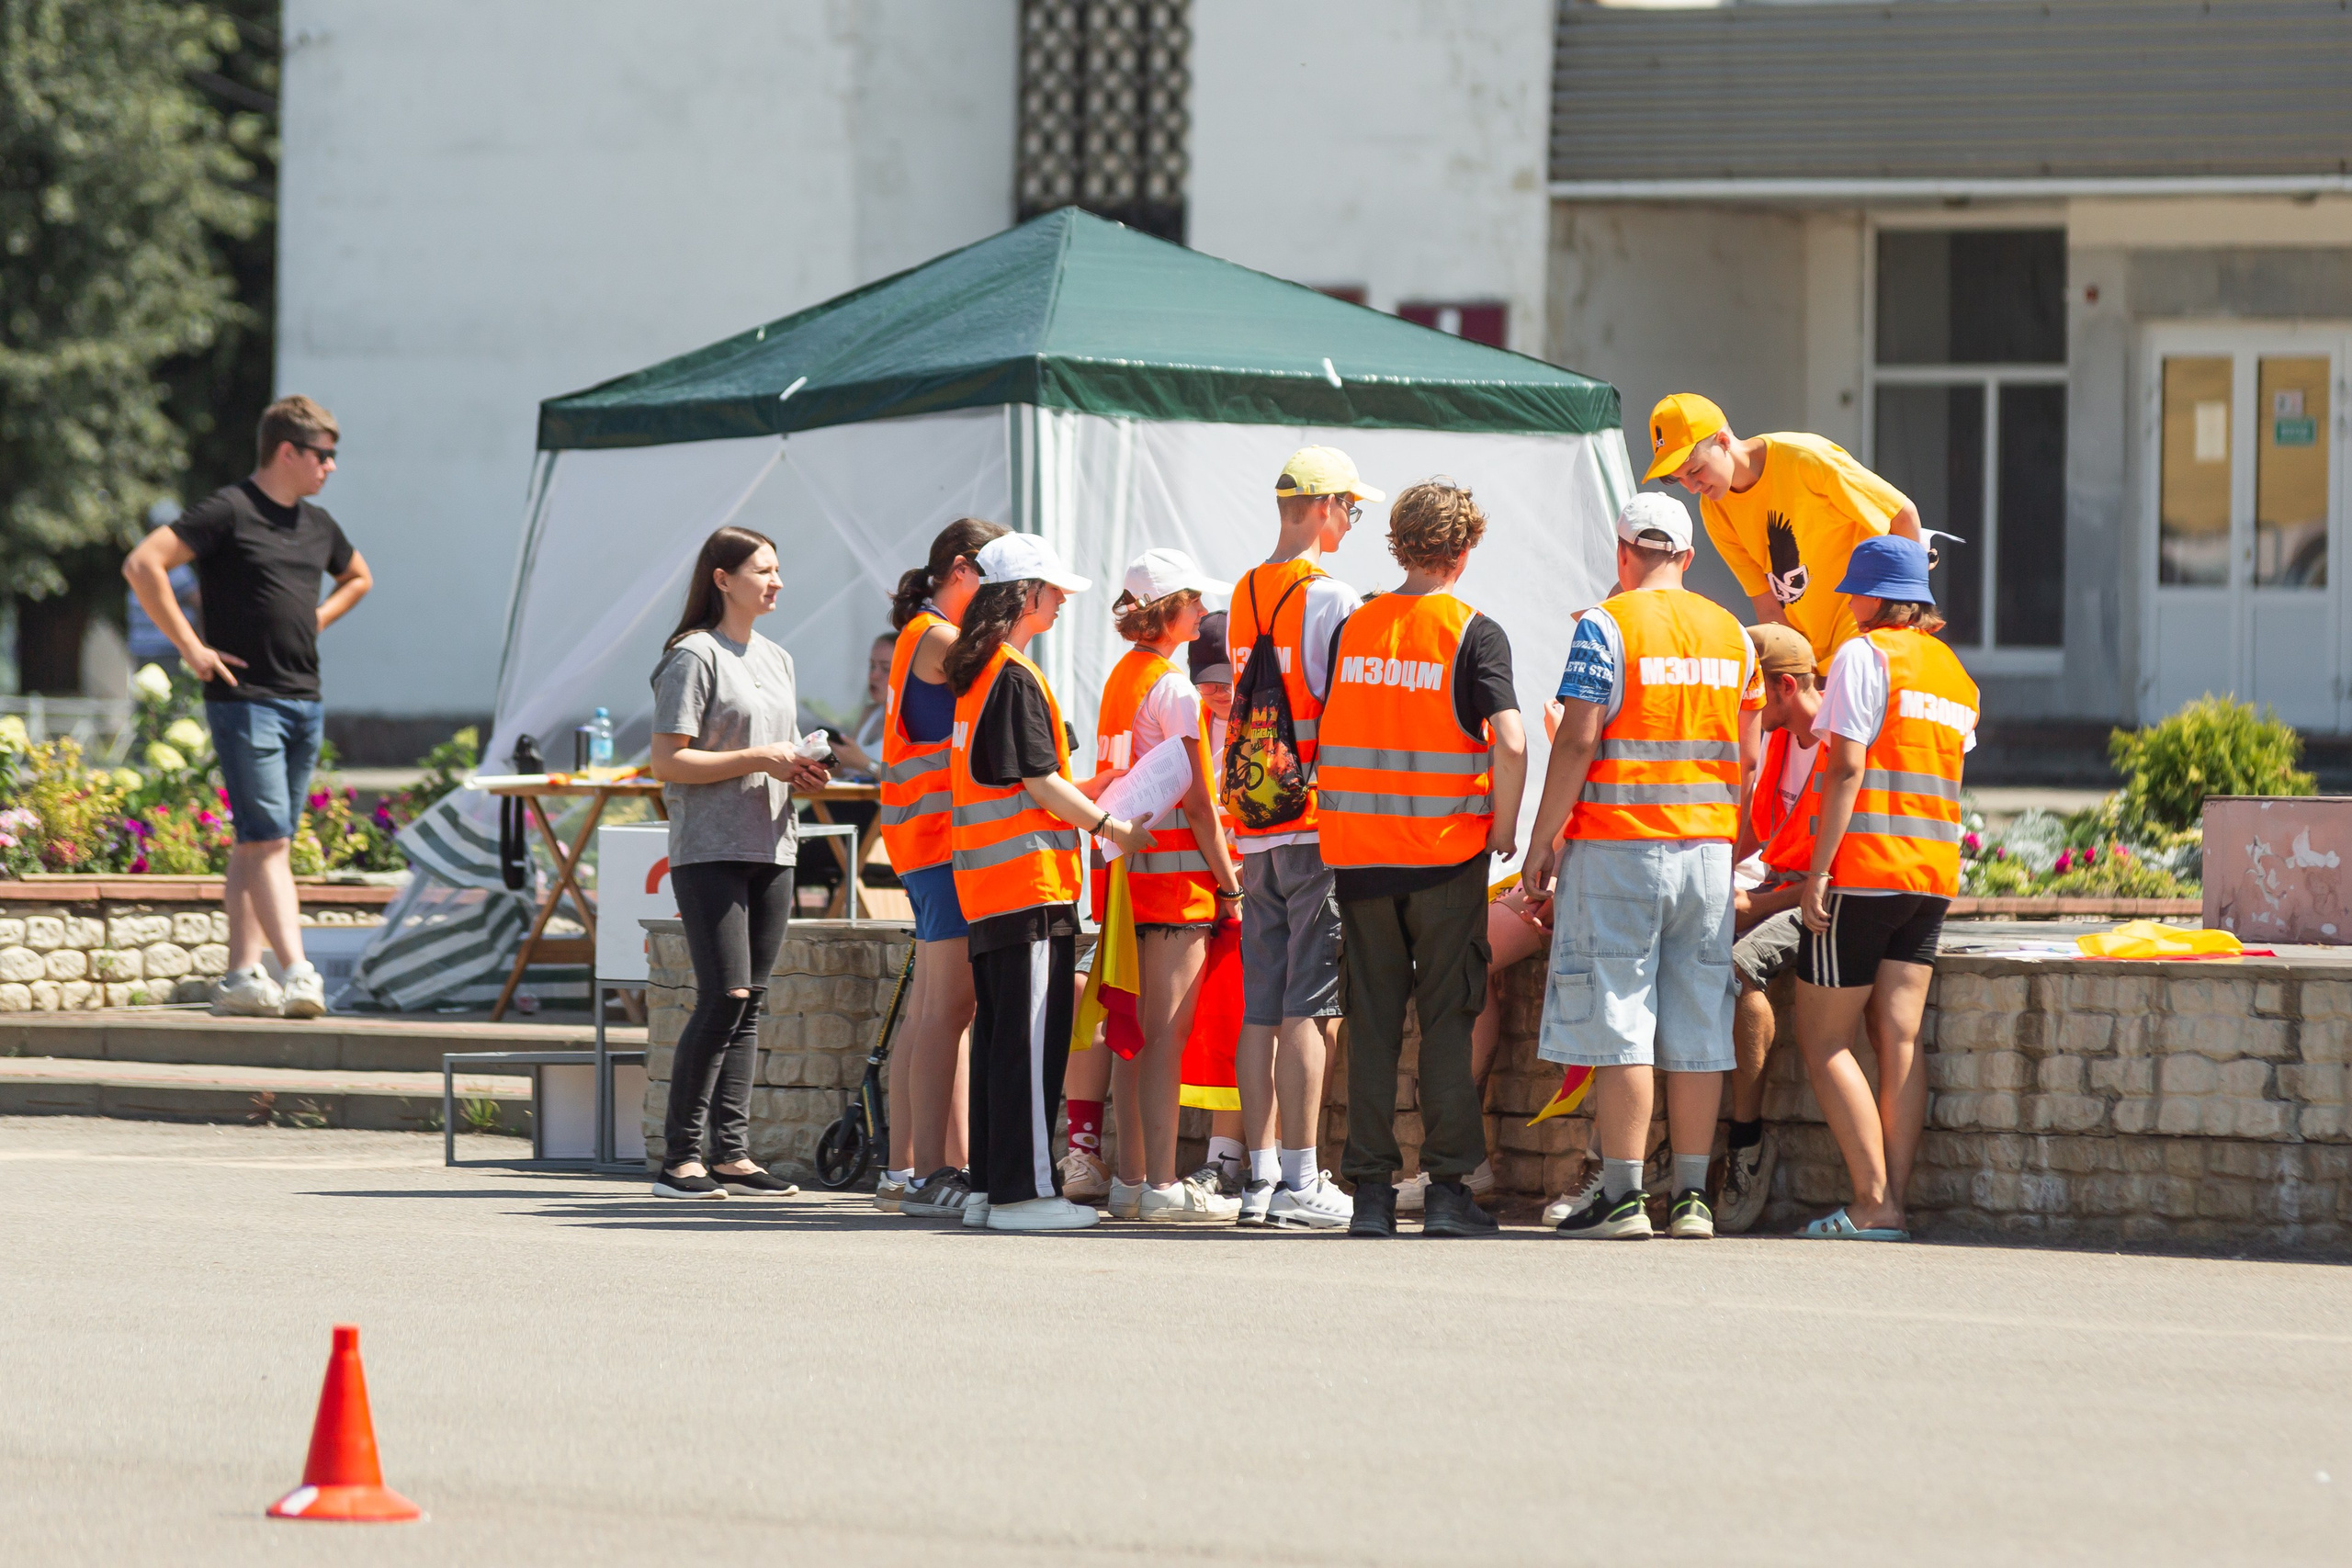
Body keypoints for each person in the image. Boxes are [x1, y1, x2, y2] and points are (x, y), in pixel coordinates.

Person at [1521, 493, 1758, 1242]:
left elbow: (1578, 738)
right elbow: (1748, 758)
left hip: (1619, 847)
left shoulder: (1605, 623)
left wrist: (1541, 841)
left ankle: (1622, 1198)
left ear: (1623, 553)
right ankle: (1692, 1196)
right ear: (1687, 559)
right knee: (1697, 1023)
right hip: (1709, 856)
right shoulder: (1736, 638)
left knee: (1621, 1016)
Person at [1318, 481, 1528, 1239]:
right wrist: (1504, 825)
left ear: (1399, 545)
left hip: (1360, 858)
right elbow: (1510, 739)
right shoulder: (1475, 632)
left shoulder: (1355, 627)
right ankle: (1446, 1191)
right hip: (1444, 856)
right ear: (1465, 550)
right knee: (1447, 1019)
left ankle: (1368, 1197)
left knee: (1370, 1024)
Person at [122, 396, 372, 1021]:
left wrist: (315, 618)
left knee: (254, 842)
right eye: (323, 455)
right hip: (244, 700)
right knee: (269, 843)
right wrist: (191, 646)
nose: (332, 467)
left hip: (302, 699)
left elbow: (359, 576)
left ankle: (239, 976)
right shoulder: (228, 510)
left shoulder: (317, 525)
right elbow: (143, 562)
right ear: (287, 452)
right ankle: (297, 972)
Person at [946, 533, 1151, 1233]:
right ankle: (1023, 1193)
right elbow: (1036, 780)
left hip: (992, 890)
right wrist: (1109, 825)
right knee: (1029, 1046)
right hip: (1028, 888)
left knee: (1005, 1042)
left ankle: (990, 1187)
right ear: (1024, 595)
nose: (1063, 600)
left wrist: (1087, 797)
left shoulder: (979, 675)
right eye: (1055, 589)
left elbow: (1021, 784)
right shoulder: (1012, 675)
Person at [1792, 536, 1977, 1241]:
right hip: (1930, 877)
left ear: (1875, 596)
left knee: (1826, 1040)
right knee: (1899, 1040)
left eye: (1853, 592)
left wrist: (1817, 871)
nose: (1847, 602)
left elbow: (1845, 766)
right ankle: (1892, 1201)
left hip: (1863, 872)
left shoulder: (1862, 657)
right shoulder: (1955, 674)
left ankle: (1873, 1205)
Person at [645, 525, 831, 1200]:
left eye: (779, 569)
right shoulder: (693, 657)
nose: (776, 581)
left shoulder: (778, 657)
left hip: (774, 842)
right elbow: (668, 759)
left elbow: (775, 748)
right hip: (710, 848)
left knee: (750, 1001)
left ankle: (730, 1152)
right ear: (723, 579)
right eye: (763, 570)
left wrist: (803, 772)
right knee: (723, 994)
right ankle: (680, 1158)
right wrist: (760, 759)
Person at [1222, 446, 1374, 1230]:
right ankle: (1302, 1180)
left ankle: (1256, 1175)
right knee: (1309, 1005)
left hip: (1255, 819)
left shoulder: (1244, 589)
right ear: (1321, 506)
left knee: (1261, 1004)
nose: (1353, 520)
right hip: (1314, 817)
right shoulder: (1331, 596)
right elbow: (1345, 707)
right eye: (1351, 507)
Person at [1081, 548, 1247, 1224]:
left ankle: (1130, 1180)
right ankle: (1162, 1184)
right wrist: (1231, 884)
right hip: (1177, 882)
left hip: (1130, 879)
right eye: (1194, 601)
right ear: (1171, 608)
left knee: (1132, 1036)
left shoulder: (1125, 675)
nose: (1202, 612)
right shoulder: (1173, 689)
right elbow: (1199, 802)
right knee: (1164, 1041)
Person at [873, 518, 1005, 1219]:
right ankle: (932, 1170)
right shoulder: (941, 638)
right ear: (962, 569)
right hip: (939, 841)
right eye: (995, 578)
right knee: (949, 1010)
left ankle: (909, 1168)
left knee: (934, 1010)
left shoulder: (919, 631)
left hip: (922, 840)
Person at [1644, 393, 1922, 672]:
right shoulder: (1715, 510)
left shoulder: (1804, 457)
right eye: (1680, 480)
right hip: (1815, 659)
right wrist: (1801, 673)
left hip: (1868, 638)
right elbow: (1767, 606)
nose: (1692, 487)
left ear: (1724, 441)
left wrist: (1899, 619)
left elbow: (1902, 516)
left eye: (1696, 471)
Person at [1714, 620, 1820, 1235]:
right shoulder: (1783, 739)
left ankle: (1747, 1144)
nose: (1745, 704)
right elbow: (1754, 833)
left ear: (1783, 686)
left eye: (1753, 691)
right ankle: (1681, 1142)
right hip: (1781, 889)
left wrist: (1747, 907)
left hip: (1822, 900)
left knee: (1735, 964)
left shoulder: (1838, 742)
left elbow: (1840, 873)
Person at [824, 632, 896, 780]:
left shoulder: (917, 723)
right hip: (853, 801)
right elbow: (845, 771)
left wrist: (865, 764)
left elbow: (909, 783)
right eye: (872, 666)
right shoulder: (870, 712)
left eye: (886, 668)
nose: (873, 675)